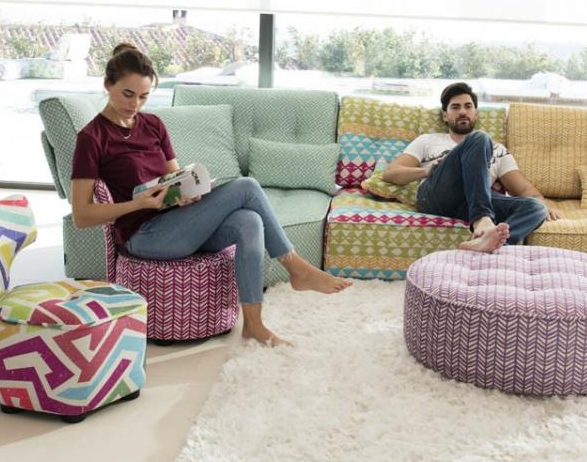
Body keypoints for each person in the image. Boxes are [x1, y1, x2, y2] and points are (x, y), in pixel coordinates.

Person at [70, 43, 350, 347]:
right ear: (107, 84)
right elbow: (82, 215)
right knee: (247, 186)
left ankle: (254, 325)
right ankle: (297, 268)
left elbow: (175, 178)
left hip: (176, 224)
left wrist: (185, 195)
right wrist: (136, 204)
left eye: (143, 96)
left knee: (249, 221)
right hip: (143, 236)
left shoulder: (153, 125)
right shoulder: (91, 138)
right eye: (128, 94)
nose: (135, 103)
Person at [382, 81, 561, 253]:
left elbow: (524, 189)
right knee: (480, 138)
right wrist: (427, 171)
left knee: (536, 207)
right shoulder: (427, 140)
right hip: (438, 196)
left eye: (468, 106)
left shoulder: (498, 150)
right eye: (455, 107)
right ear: (445, 116)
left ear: (475, 114)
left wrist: (543, 202)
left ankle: (491, 244)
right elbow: (391, 173)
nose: (462, 112)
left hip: (472, 202)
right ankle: (482, 220)